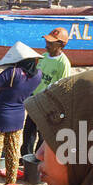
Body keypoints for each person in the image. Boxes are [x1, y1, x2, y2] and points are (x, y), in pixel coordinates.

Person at [0, 41, 42, 185]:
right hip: (18, 117)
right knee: (12, 153)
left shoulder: (12, 73)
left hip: (0, 116)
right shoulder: (38, 75)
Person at [21, 28, 72, 158]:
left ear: (61, 45)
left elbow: (63, 87)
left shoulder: (63, 64)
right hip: (35, 100)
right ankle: (25, 158)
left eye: (51, 42)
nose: (47, 44)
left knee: (43, 134)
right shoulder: (43, 57)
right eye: (47, 41)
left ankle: (38, 159)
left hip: (48, 104)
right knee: (28, 131)